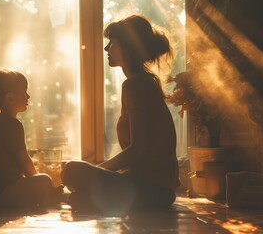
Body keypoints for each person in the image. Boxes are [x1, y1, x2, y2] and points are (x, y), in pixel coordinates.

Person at [61, 14, 180, 214]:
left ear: (129, 48)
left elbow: (138, 149)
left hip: (153, 189)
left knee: (73, 170)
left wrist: (97, 171)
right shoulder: (143, 82)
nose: (107, 49)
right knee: (77, 197)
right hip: (151, 188)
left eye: (112, 43)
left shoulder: (136, 85)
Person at [0, 69, 63, 209]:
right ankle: (46, 197)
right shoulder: (12, 125)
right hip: (6, 194)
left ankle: (44, 198)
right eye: (24, 92)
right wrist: (40, 183)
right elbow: (23, 159)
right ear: (10, 97)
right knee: (44, 180)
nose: (28, 96)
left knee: (41, 181)